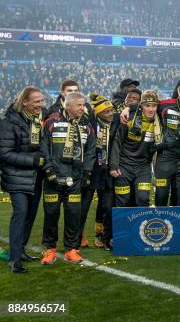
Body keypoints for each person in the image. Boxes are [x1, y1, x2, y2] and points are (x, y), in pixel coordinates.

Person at [40, 92, 96, 265]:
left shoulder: (87, 126)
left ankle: (72, 249)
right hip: (53, 178)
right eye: (79, 105)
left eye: (83, 104)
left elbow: (91, 152)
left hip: (75, 179)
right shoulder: (51, 122)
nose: (83, 108)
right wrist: (49, 170)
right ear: (68, 106)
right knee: (51, 214)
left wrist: (86, 174)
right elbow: (44, 148)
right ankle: (50, 249)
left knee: (73, 215)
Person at [0, 87, 47, 273]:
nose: (41, 104)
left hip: (35, 177)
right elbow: (4, 153)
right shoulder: (8, 123)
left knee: (29, 216)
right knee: (21, 214)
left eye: (42, 101)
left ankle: (20, 251)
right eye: (37, 101)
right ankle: (14, 260)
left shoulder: (36, 120)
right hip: (16, 177)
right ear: (25, 102)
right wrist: (33, 161)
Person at [79, 94, 119, 249]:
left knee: (106, 206)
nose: (110, 114)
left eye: (111, 110)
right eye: (106, 112)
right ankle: (78, 235)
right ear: (98, 113)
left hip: (107, 170)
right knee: (84, 205)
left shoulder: (116, 121)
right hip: (91, 169)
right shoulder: (89, 123)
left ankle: (101, 236)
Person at [110, 91, 161, 209]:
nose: (151, 109)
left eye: (154, 106)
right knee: (123, 201)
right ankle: (123, 227)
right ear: (141, 106)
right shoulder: (129, 119)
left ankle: (140, 227)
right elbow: (117, 142)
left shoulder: (160, 121)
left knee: (143, 199)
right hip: (124, 166)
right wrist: (114, 165)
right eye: (147, 106)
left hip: (143, 167)